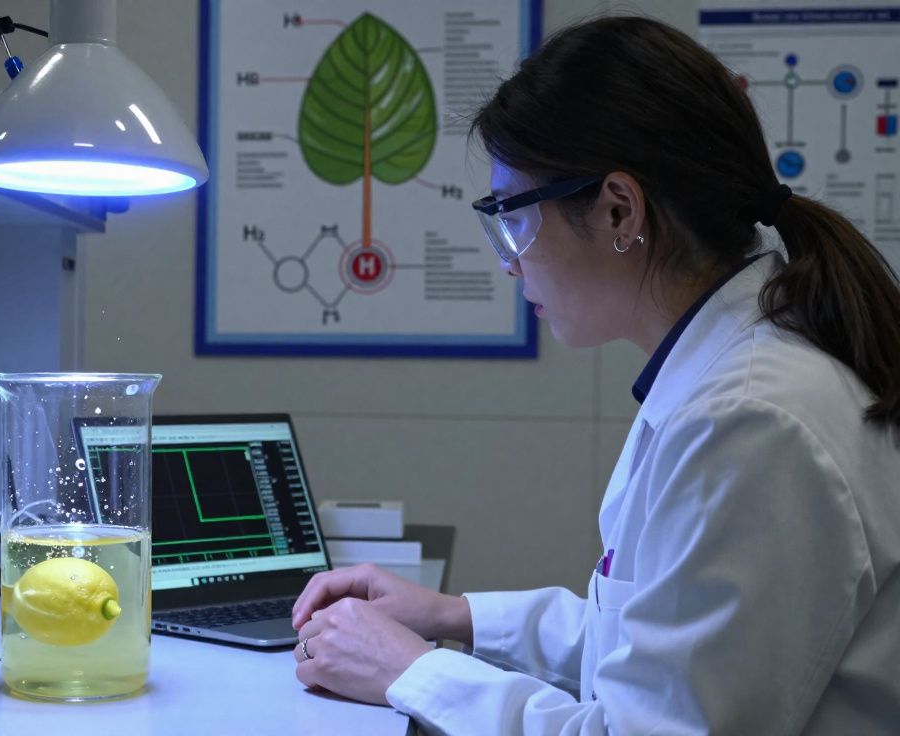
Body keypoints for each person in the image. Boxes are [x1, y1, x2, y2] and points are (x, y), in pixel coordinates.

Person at [289, 15, 900, 734]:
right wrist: (453, 616)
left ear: (619, 209)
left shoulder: (751, 418)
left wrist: (410, 671)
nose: (508, 261)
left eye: (512, 218)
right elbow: (655, 639)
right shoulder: (736, 369)